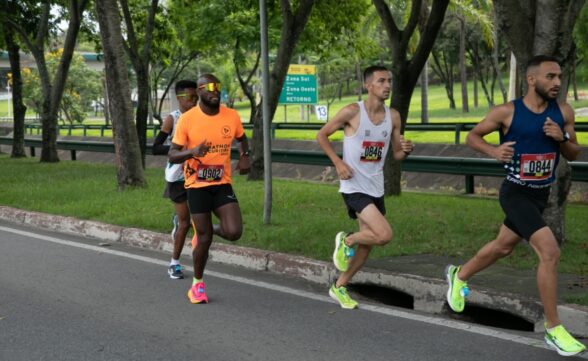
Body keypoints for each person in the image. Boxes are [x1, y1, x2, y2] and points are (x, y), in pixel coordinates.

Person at [445, 55, 585, 357]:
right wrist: (494, 151)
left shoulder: (563, 112)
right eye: (550, 76)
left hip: (540, 194)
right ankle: (553, 328)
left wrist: (561, 139)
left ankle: (459, 275)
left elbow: (574, 153)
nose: (557, 82)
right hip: (515, 193)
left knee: (503, 247)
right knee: (550, 252)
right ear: (531, 80)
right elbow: (472, 136)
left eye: (559, 76)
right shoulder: (507, 112)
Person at [316, 65, 414, 309]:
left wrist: (406, 150)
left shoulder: (394, 117)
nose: (387, 85)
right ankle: (347, 240)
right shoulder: (352, 111)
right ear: (368, 85)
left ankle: (339, 287)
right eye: (381, 81)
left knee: (368, 246)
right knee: (384, 235)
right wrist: (338, 163)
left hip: (375, 187)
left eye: (389, 81)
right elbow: (322, 135)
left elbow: (397, 154)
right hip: (353, 186)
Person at [169, 73, 250, 304]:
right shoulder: (188, 119)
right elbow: (172, 154)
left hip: (222, 182)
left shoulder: (231, 116)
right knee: (204, 239)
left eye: (218, 87)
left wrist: (245, 156)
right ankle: (197, 284)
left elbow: (242, 138)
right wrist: (192, 152)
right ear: (200, 91)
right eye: (210, 87)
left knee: (234, 231)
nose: (215, 91)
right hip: (197, 185)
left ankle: (205, 229)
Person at [152, 80, 198, 280]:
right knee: (185, 222)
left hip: (199, 175)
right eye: (191, 97)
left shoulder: (202, 117)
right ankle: (174, 263)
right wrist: (179, 151)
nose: (195, 101)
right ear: (179, 98)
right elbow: (156, 147)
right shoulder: (173, 118)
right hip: (177, 176)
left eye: (196, 97)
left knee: (199, 221)